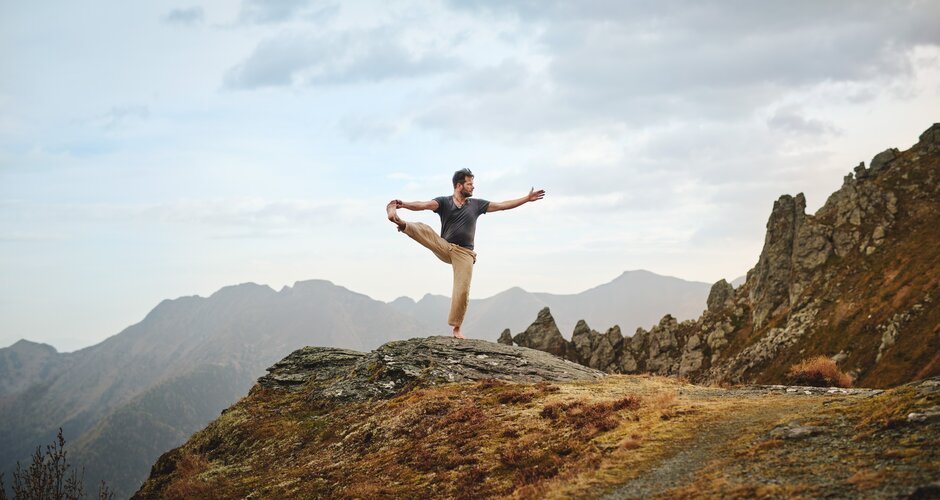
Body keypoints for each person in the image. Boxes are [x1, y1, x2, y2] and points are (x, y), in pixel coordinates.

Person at [386, 168, 546, 339]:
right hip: (445, 247)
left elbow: (501, 206)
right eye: (469, 184)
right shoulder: (444, 202)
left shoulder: (476, 205)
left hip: (465, 254)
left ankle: (456, 328)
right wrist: (403, 205)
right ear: (458, 185)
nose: (473, 187)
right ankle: (401, 223)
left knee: (462, 289)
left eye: (472, 184)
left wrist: (526, 199)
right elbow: (423, 205)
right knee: (426, 231)